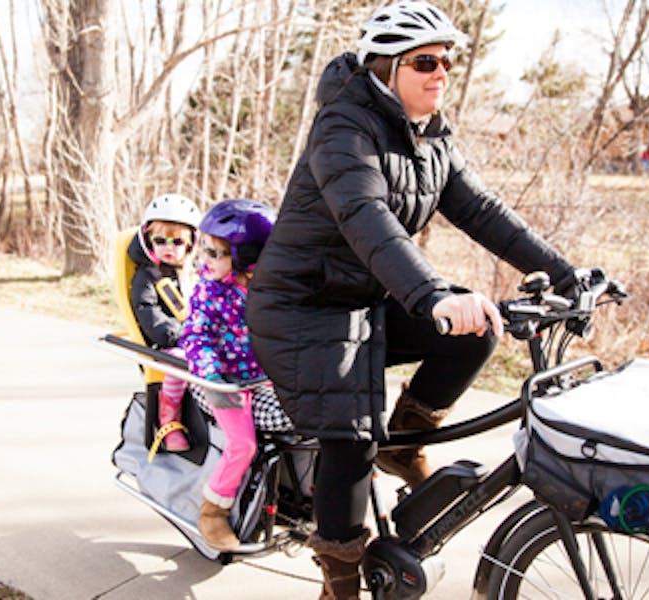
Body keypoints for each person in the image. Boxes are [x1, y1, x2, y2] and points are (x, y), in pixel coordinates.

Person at [244, 2, 580, 597]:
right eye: (425, 61)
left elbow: (483, 212)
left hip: (366, 297)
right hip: (303, 307)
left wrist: (562, 273)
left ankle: (409, 438)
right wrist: (430, 296)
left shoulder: (430, 136)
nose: (441, 72)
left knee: (480, 328)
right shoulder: (343, 127)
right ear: (386, 67)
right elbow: (365, 216)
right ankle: (341, 581)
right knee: (351, 435)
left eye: (447, 61)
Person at [174, 198, 277, 551]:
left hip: (261, 377)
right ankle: (213, 511)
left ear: (247, 259)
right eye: (203, 249)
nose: (205, 259)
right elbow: (195, 336)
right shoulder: (209, 290)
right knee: (243, 443)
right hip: (220, 380)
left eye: (216, 253)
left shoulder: (266, 289)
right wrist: (213, 375)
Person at [128, 193, 202, 452]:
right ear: (148, 241)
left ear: (191, 244)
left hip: (197, 340)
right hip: (166, 346)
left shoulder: (194, 275)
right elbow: (149, 314)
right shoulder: (147, 278)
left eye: (177, 241)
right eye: (161, 240)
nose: (169, 247)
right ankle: (168, 421)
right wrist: (180, 335)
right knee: (181, 360)